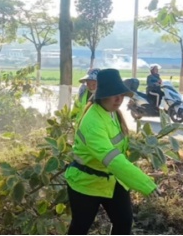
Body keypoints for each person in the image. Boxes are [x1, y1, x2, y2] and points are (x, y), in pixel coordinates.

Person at [65, 68, 160, 235]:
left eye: (121, 94)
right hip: (86, 183)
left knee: (124, 222)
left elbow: (120, 147)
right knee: (80, 227)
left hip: (112, 178)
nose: (119, 99)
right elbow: (113, 159)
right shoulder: (92, 122)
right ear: (102, 95)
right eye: (114, 95)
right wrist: (145, 184)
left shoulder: (113, 113)